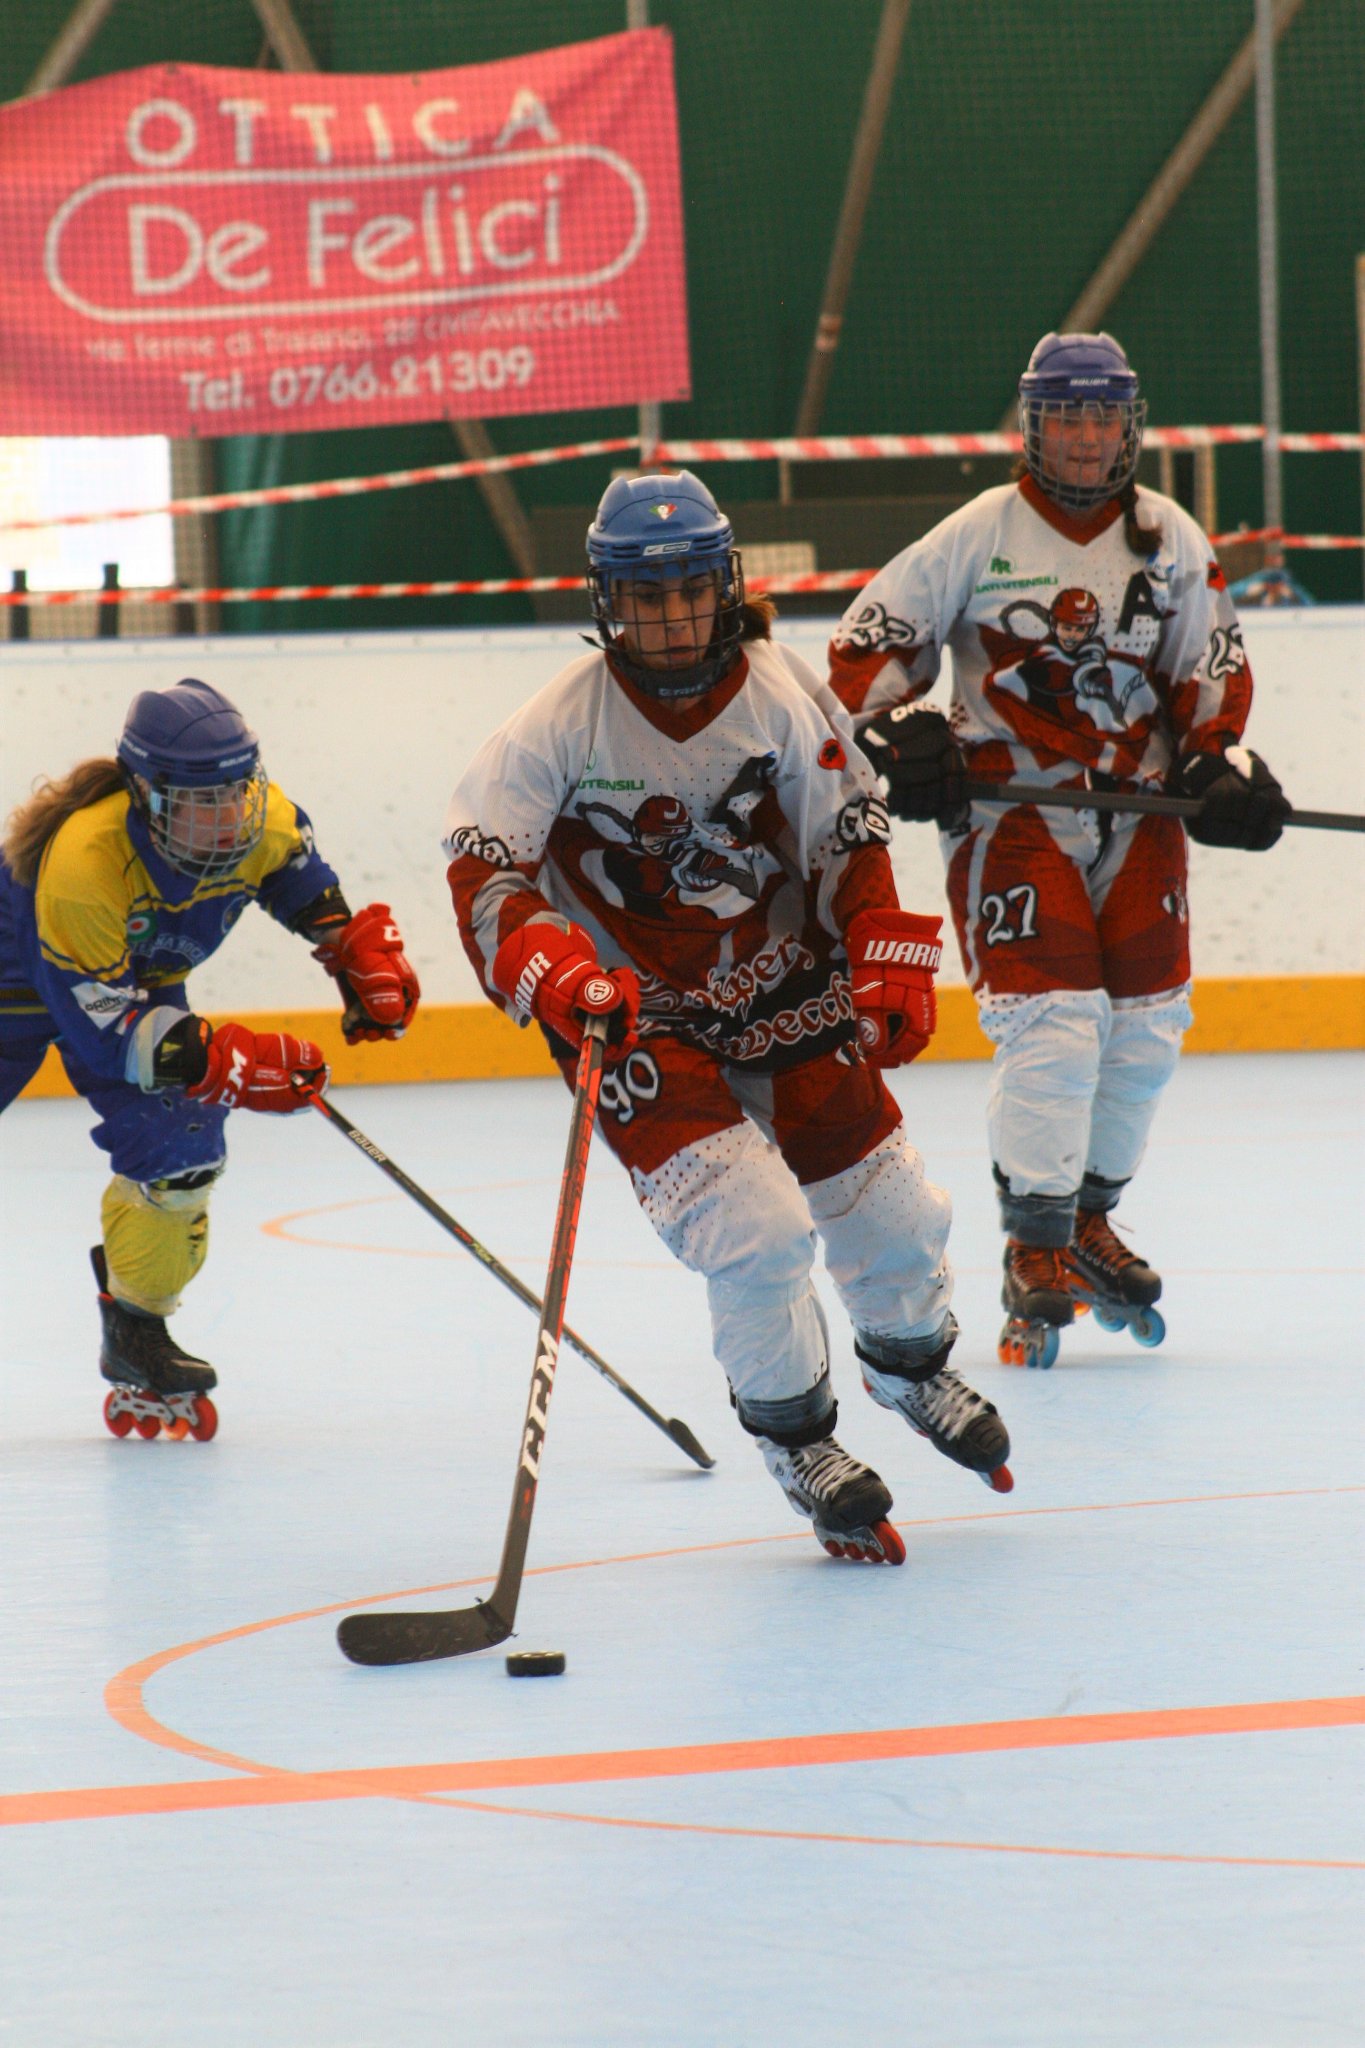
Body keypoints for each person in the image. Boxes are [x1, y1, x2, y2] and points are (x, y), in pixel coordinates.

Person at [443, 469, 1012, 1567]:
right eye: (644, 597)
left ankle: (906, 1360)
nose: (668, 618)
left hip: (780, 988)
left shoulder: (778, 691)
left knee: (890, 1211)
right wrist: (552, 965)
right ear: (608, 601)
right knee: (755, 1233)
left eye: (688, 591)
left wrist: (884, 952)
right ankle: (799, 1439)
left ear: (726, 586)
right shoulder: (556, 724)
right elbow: (483, 872)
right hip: (635, 1019)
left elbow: (847, 837)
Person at [827, 331, 1290, 1367]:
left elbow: (1209, 672)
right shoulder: (975, 536)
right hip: (1012, 813)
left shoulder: (1168, 538)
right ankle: (1036, 1244)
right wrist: (905, 734)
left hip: (1143, 815)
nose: (1086, 437)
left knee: (1149, 1025)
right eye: (1066, 416)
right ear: (1031, 426)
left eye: (1104, 416)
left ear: (1131, 425)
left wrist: (1221, 764)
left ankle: (1088, 1218)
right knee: (1056, 1023)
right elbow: (862, 658)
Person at [0, 678, 420, 1436]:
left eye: (237, 793)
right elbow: (106, 1032)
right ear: (144, 795)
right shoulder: (80, 866)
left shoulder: (261, 819)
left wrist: (354, 953)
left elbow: (297, 879)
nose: (227, 820)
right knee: (184, 1082)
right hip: (21, 971)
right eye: (200, 803)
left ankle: (137, 1333)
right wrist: (233, 1060)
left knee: (183, 1146)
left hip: (135, 978)